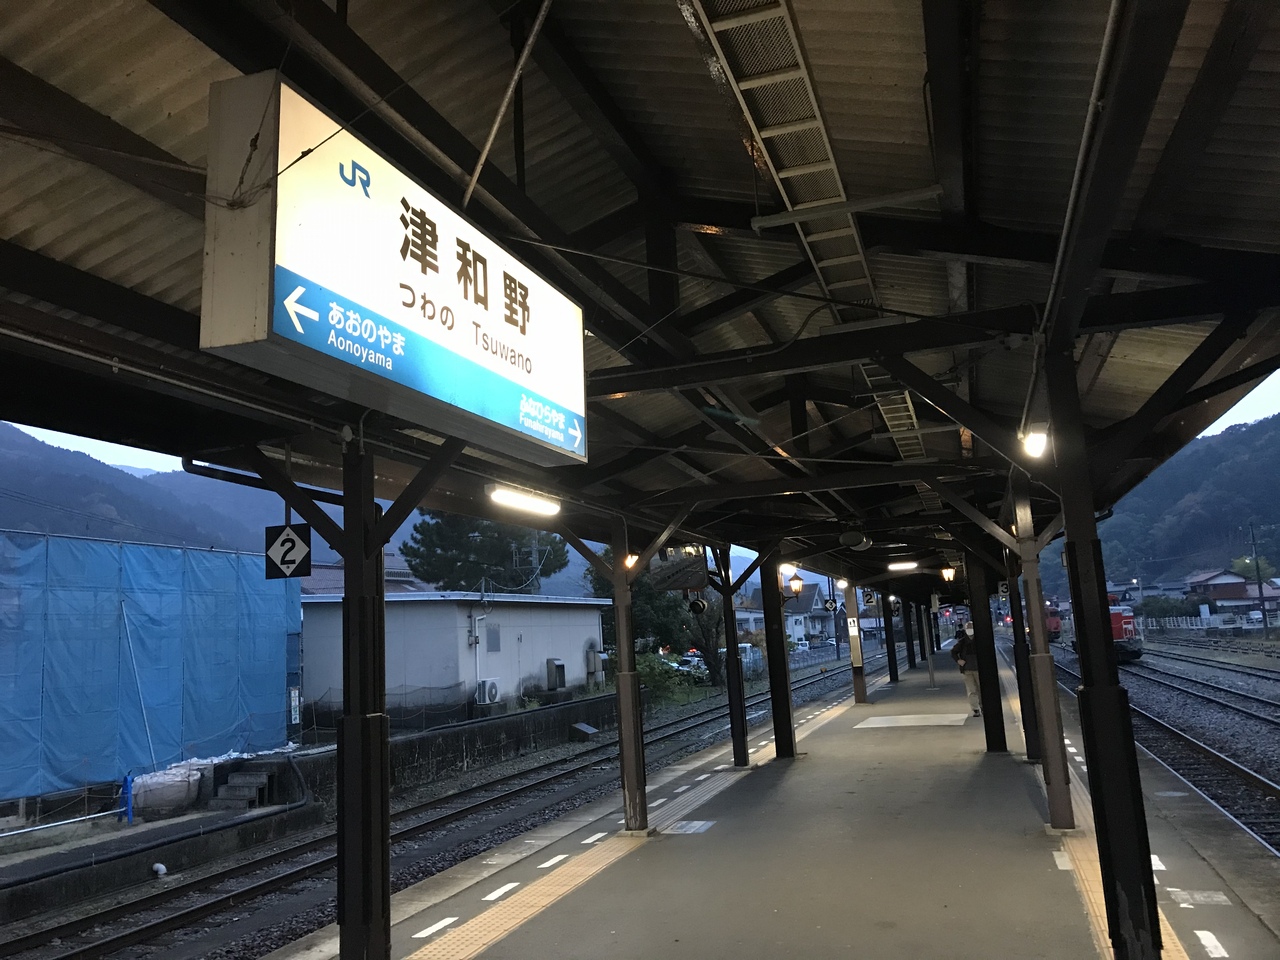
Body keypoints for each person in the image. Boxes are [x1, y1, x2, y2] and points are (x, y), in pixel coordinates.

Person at [951, 620, 982, 717]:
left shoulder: (980, 640)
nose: (969, 630)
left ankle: (982, 706)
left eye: (971, 628)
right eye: (968, 628)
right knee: (972, 690)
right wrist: (958, 660)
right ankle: (975, 709)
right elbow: (953, 652)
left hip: (979, 669)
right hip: (967, 670)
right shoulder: (962, 642)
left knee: (980, 689)